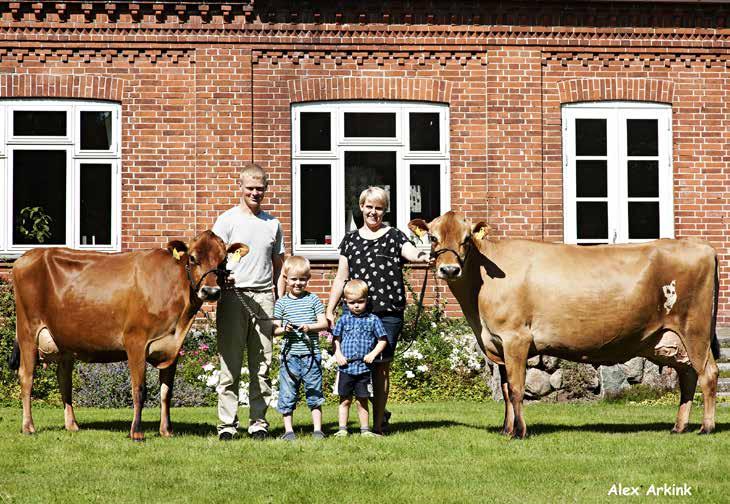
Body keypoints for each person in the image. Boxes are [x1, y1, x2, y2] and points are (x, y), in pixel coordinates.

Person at [326, 186, 431, 435]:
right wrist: (330, 309)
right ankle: (363, 418)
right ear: (361, 207)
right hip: (355, 315)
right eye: (369, 207)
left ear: (385, 210)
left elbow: (410, 252)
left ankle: (377, 424)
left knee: (381, 366)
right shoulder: (350, 240)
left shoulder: (394, 236)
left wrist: (422, 256)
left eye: (379, 208)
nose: (374, 212)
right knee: (356, 365)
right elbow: (341, 278)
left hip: (387, 314)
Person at [212, 163, 286, 441]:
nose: (255, 193)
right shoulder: (227, 220)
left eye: (260, 188)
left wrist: (278, 301)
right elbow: (214, 260)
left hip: (264, 297)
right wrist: (222, 280)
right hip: (234, 297)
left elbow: (279, 265)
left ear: (266, 189)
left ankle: (258, 422)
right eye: (250, 188)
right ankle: (227, 425)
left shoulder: (272, 224)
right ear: (240, 187)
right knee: (229, 365)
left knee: (262, 365)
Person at [272, 256, 329, 440]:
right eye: (294, 279)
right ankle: (289, 431)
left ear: (308, 279)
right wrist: (284, 329)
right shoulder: (281, 303)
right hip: (290, 357)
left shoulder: (313, 299)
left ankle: (318, 430)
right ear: (286, 279)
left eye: (302, 279)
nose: (298, 283)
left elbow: (324, 323)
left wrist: (309, 326)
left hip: (310, 355)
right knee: (288, 393)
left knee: (314, 391)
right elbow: (274, 329)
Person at [332, 280, 388, 437]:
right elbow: (336, 339)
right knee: (345, 400)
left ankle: (365, 430)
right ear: (345, 302)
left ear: (367, 300)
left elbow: (382, 340)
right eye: (352, 303)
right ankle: (342, 429)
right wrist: (338, 354)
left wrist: (373, 354)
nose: (356, 305)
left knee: (362, 400)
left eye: (360, 302)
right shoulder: (343, 319)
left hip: (363, 368)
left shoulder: (373, 319)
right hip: (346, 367)